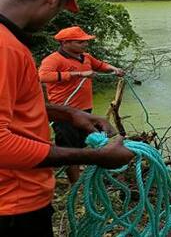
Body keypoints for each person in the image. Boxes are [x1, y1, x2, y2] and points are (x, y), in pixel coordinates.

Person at [0, 0, 133, 236]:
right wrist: (95, 157)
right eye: (61, 8)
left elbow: (14, 104)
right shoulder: (6, 48)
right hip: (13, 204)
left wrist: (70, 113)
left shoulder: (10, 43)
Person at [38, 26, 125, 184]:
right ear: (65, 43)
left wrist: (114, 69)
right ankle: (75, 186)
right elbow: (43, 76)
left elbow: (100, 65)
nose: (85, 44)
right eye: (80, 42)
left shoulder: (85, 57)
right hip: (64, 113)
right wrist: (78, 74)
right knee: (70, 150)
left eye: (86, 41)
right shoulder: (53, 59)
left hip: (86, 111)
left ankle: (102, 177)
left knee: (95, 141)